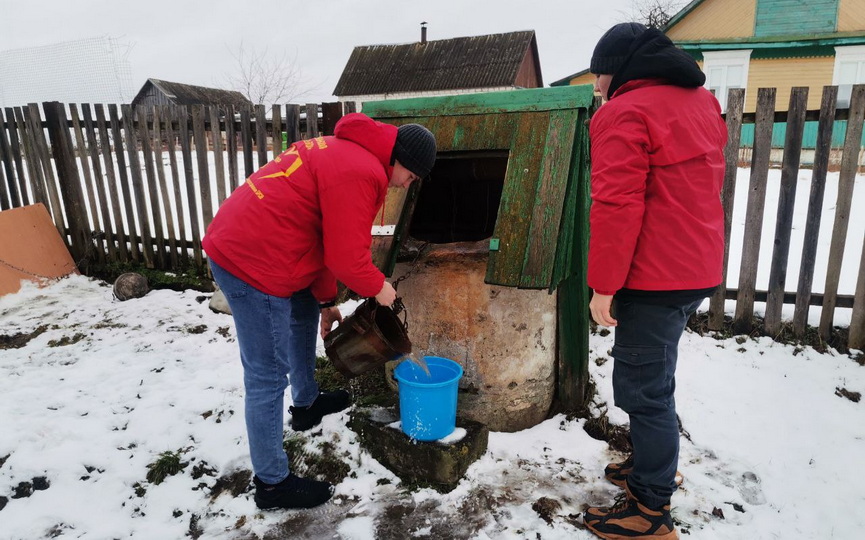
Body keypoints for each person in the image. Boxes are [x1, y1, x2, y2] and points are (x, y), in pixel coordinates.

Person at [202, 113, 436, 510]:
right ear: (399, 160)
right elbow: (347, 258)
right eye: (411, 177)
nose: (406, 184)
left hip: (273, 248)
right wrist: (380, 288)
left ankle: (306, 405)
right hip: (252, 261)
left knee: (305, 311)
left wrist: (328, 302)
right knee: (266, 376)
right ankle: (272, 484)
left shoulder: (351, 153)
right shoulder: (361, 171)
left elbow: (326, 240)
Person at [583, 23, 727, 540]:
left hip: (654, 274)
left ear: (618, 68)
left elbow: (617, 205)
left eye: (600, 73)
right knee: (655, 378)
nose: (597, 85)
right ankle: (652, 467)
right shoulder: (700, 103)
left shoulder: (624, 111)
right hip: (694, 267)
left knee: (644, 391)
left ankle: (649, 509)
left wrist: (603, 285)